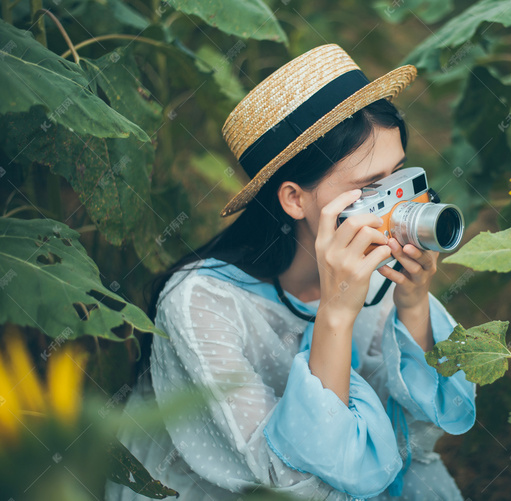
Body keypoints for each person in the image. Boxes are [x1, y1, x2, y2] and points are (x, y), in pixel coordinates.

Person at [104, 44, 476, 501]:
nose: (398, 204)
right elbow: (287, 480)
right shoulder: (200, 302)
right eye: (370, 188)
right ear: (294, 200)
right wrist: (336, 315)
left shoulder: (378, 272)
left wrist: (414, 302)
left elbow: (420, 434)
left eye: (399, 176)